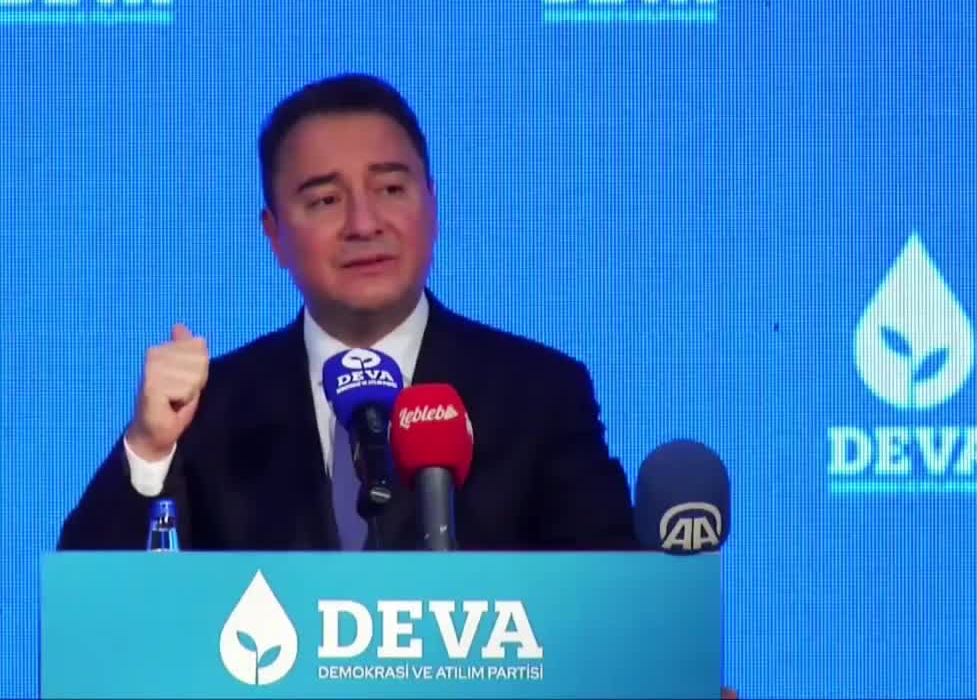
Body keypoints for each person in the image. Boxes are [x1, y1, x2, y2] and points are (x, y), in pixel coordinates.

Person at [56, 72, 637, 552]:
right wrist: (149, 448)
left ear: (432, 206)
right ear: (274, 236)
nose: (363, 224)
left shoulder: (538, 394)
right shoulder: (210, 410)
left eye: (390, 190)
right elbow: (92, 613)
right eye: (326, 200)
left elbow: (612, 604)